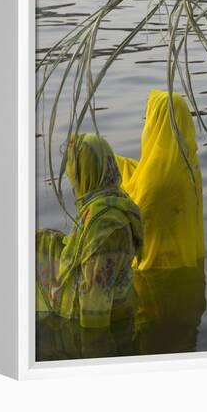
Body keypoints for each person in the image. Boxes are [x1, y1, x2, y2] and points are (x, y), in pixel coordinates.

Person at [36, 133, 143, 330]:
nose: (71, 180)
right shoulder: (111, 199)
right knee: (39, 240)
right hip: (119, 300)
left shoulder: (106, 228)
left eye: (74, 174)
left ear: (86, 173)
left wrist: (90, 355)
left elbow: (94, 306)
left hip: (105, 315)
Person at [116, 89, 204, 270]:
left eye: (149, 118)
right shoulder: (187, 161)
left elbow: (135, 212)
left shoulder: (158, 180)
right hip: (187, 259)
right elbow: (145, 174)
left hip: (158, 268)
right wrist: (115, 161)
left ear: (157, 122)